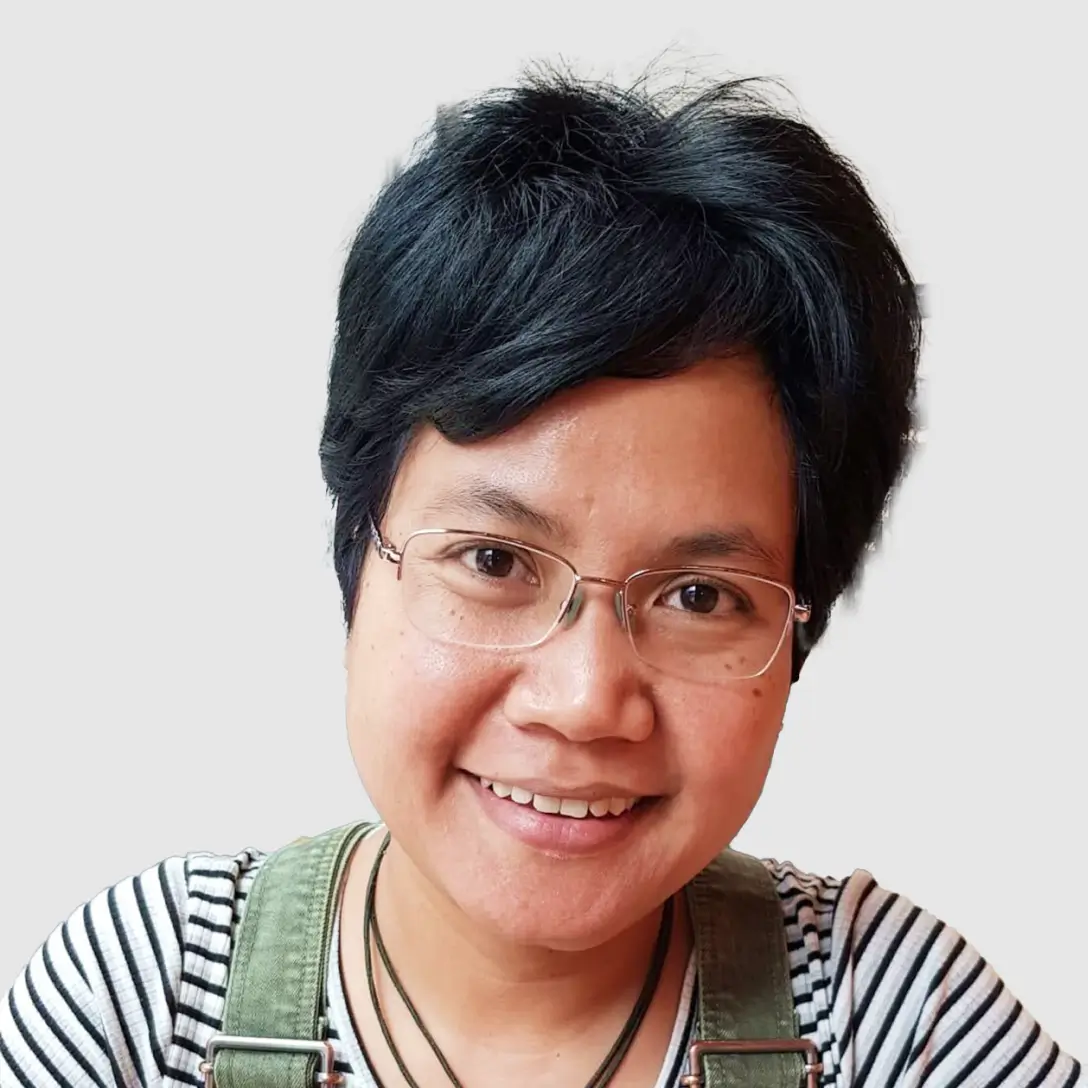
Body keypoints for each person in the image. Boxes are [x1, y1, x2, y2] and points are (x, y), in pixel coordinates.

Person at [1, 71, 1080, 1088]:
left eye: (699, 595)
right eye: (493, 560)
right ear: (358, 555)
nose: (582, 700)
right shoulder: (145, 999)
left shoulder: (882, 1016)